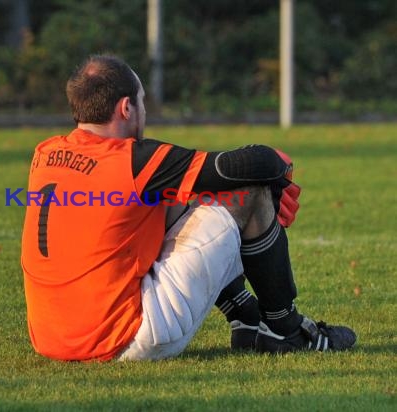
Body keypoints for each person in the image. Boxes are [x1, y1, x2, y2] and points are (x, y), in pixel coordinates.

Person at [20, 54, 356, 361]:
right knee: (249, 195)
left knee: (173, 201)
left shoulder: (45, 153)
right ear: (125, 108)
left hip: (51, 337)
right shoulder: (132, 160)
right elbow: (245, 166)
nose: (144, 110)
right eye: (142, 101)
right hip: (124, 337)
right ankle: (286, 330)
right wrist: (279, 173)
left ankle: (246, 315)